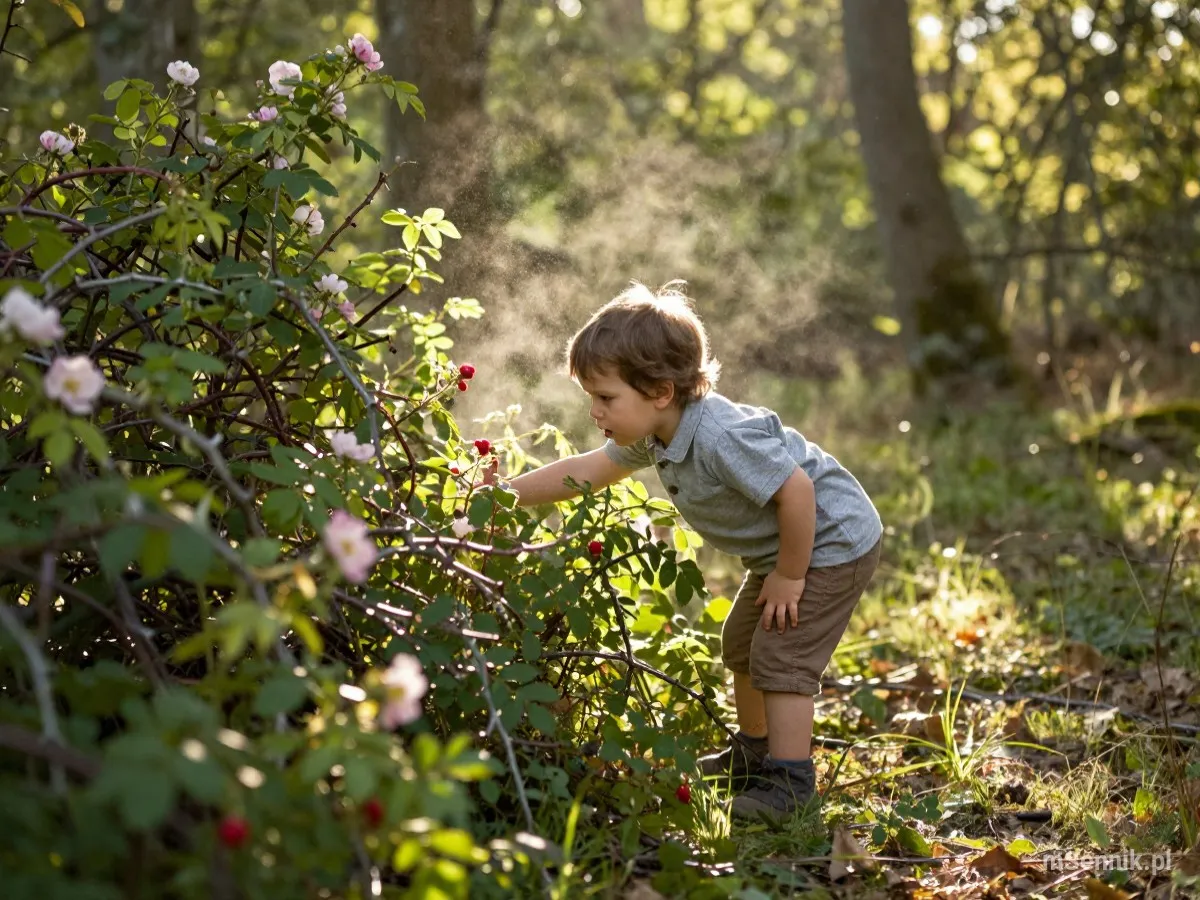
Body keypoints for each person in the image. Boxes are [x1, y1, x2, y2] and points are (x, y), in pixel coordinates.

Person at [491, 281, 882, 820]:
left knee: (780, 655)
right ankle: (754, 755)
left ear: (660, 391)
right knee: (742, 642)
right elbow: (586, 471)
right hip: (788, 551)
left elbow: (798, 491)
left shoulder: (722, 436)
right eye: (592, 398)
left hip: (831, 542)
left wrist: (790, 577)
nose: (595, 411)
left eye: (605, 398)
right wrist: (498, 495)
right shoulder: (655, 431)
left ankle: (792, 788)